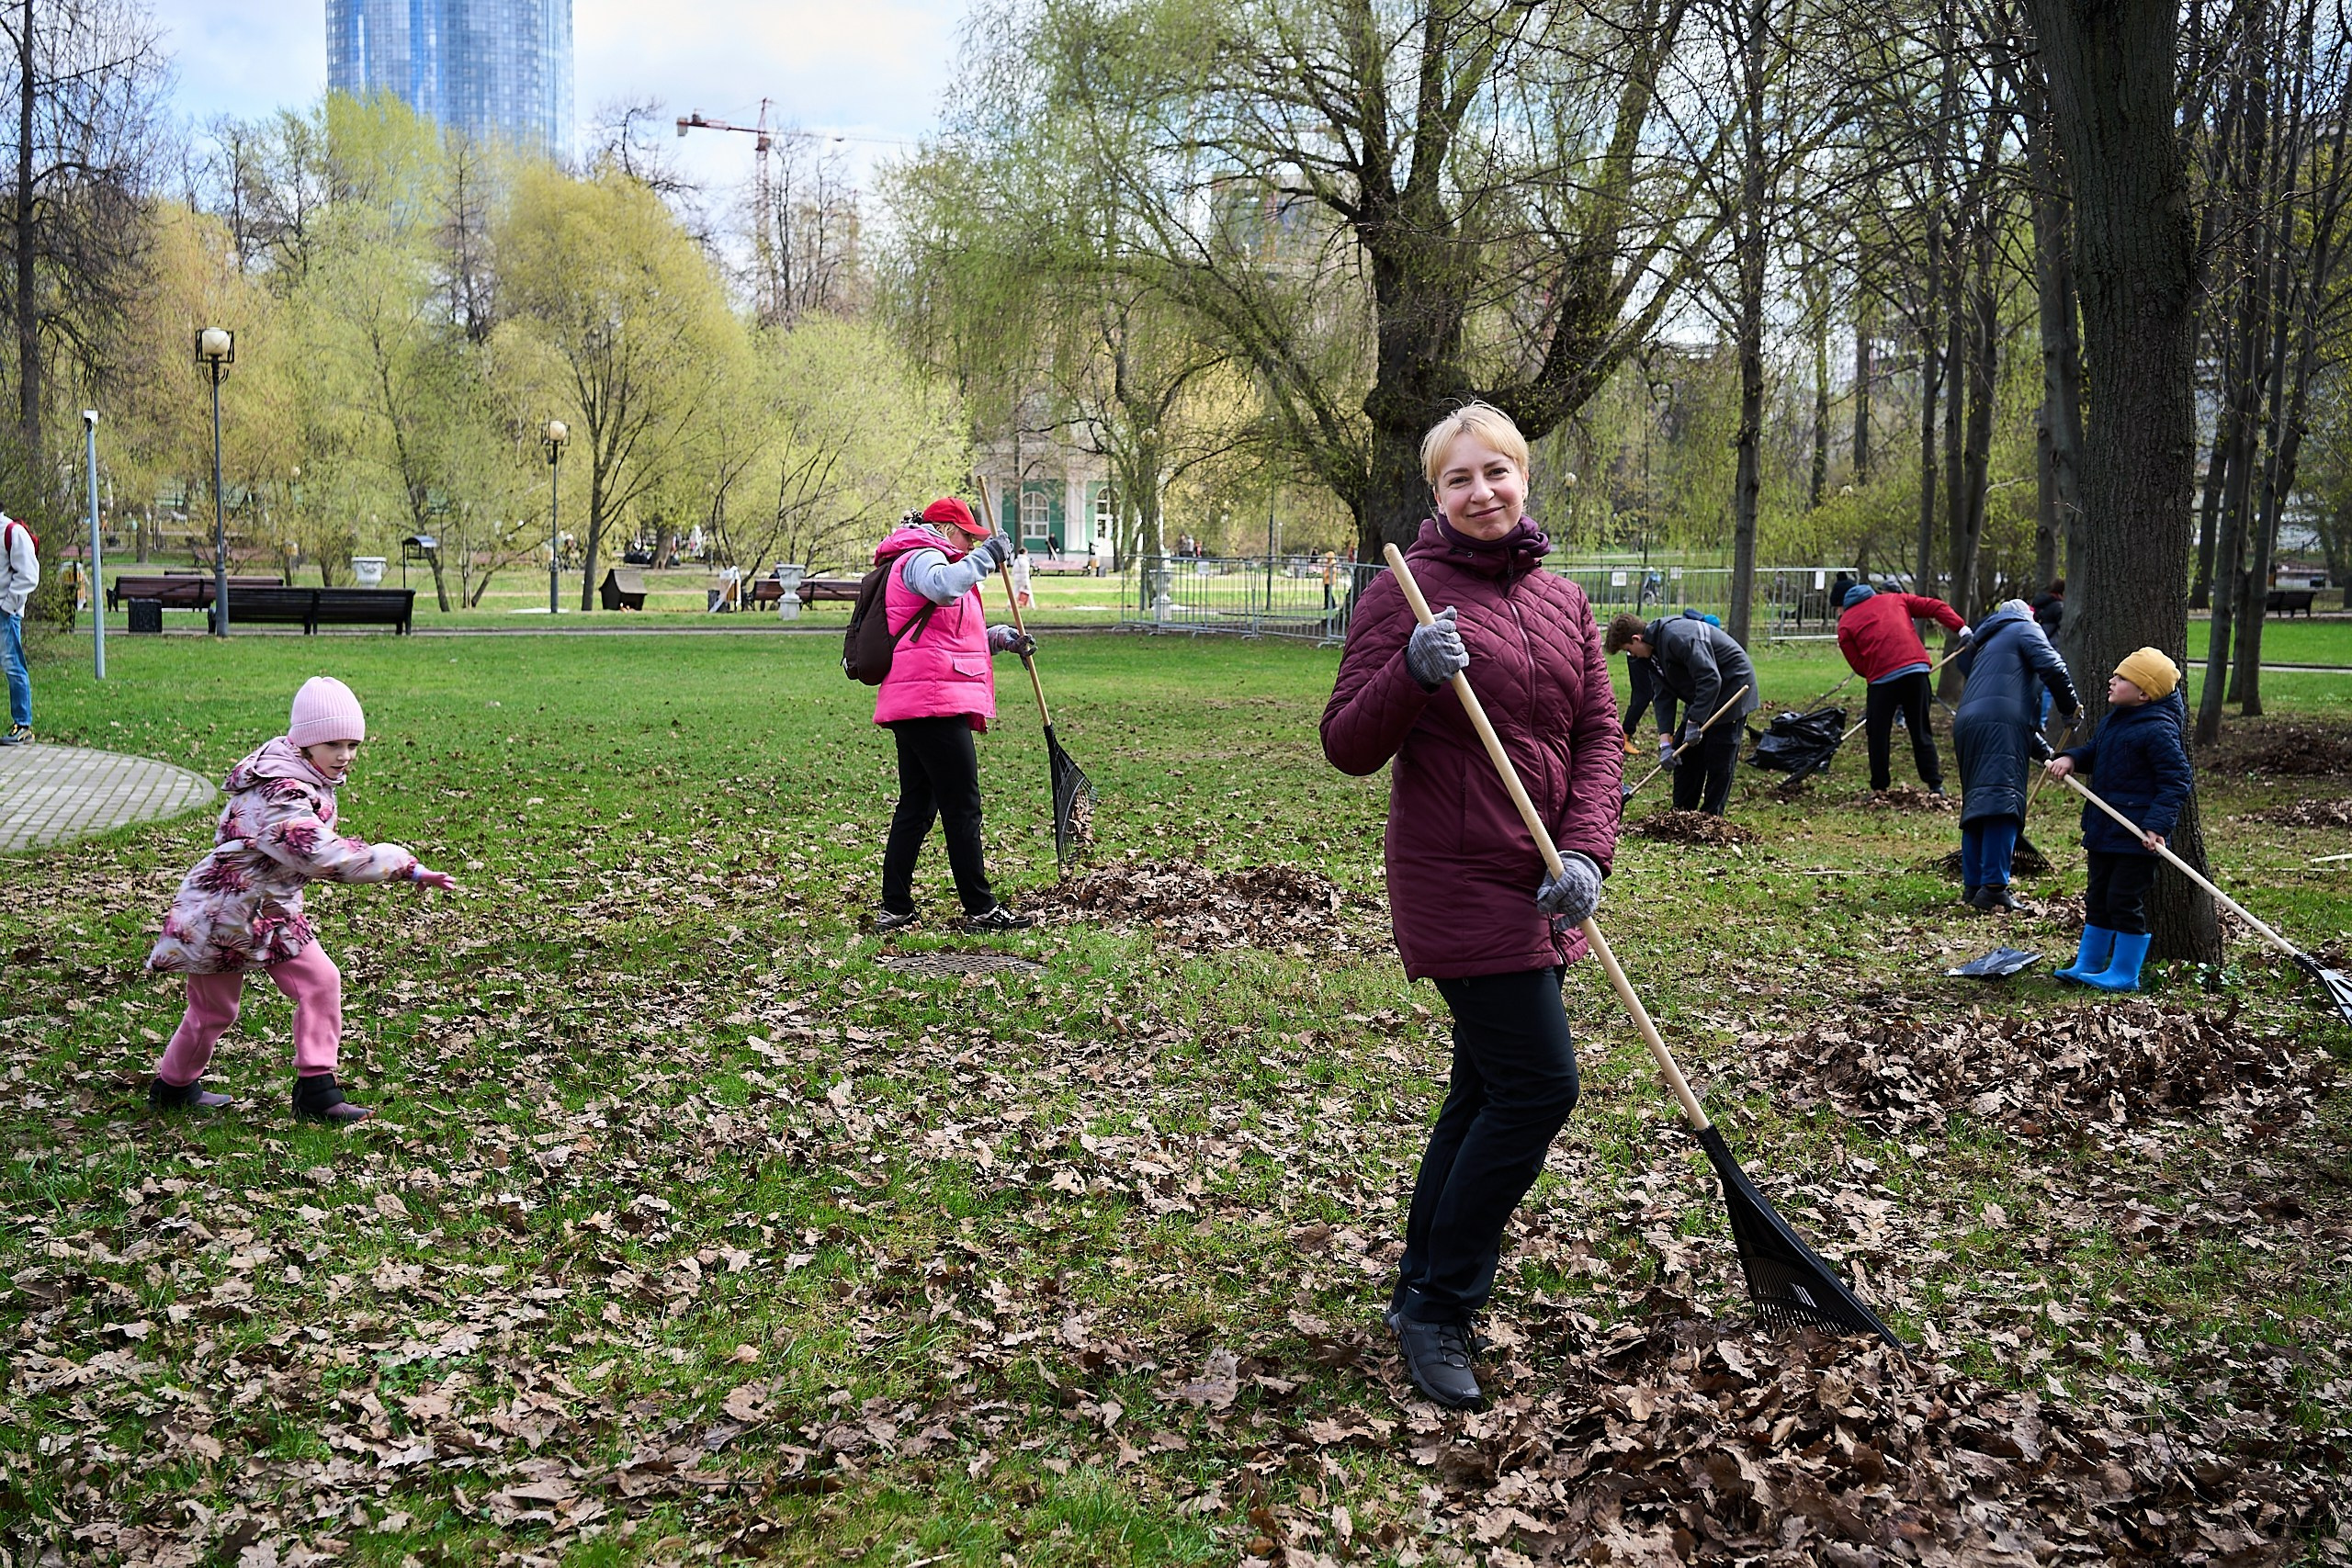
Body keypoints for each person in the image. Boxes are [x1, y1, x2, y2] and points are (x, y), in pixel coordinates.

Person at [1322, 401, 1620, 1410]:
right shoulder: (1405, 593)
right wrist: (1411, 672)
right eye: (1459, 478)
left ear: (1523, 477)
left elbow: (1598, 735)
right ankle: (1440, 1305)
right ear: (1436, 494)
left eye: (1496, 471)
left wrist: (1587, 852)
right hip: (1455, 875)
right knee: (1539, 1088)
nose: (1481, 491)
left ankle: (1422, 1284)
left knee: (1486, 1091)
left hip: (1543, 881)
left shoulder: (1564, 601)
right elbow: (1347, 743)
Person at [145, 678, 456, 1123]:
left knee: (320, 982)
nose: (345, 755)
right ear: (306, 742)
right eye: (334, 744)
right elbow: (319, 852)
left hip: (267, 909)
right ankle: (173, 1088)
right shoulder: (281, 791)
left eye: (352, 744)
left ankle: (317, 1091)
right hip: (223, 910)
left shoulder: (306, 776)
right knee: (214, 1010)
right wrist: (399, 864)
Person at [871, 497, 1036, 934]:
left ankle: (896, 908)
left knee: (918, 805)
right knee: (962, 805)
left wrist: (1002, 638)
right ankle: (981, 909)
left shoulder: (933, 559)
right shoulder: (921, 556)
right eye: (967, 536)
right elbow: (944, 588)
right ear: (946, 528)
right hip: (930, 699)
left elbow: (951, 634)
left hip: (925, 695)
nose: (970, 545)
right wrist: (987, 557)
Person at [2045, 649, 2189, 991]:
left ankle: (2125, 973)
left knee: (2123, 900)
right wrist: (2071, 759)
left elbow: (2176, 780)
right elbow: (2095, 753)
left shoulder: (2158, 729)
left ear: (2144, 694)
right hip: (2104, 828)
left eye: (2122, 678)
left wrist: (2157, 825)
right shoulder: (2114, 720)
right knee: (2098, 897)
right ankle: (2089, 963)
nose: (2112, 680)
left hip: (2135, 835)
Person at [1950, 598, 2079, 912]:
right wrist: (2070, 710)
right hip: (2000, 721)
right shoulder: (2024, 629)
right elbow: (2054, 668)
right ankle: (1994, 888)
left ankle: (1973, 886)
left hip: (1967, 723)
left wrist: (2045, 752)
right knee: (2001, 804)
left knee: (1979, 804)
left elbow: (2003, 703)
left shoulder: (1987, 642)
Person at [1602, 610, 1758, 815]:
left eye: (1628, 650)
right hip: (1702, 694)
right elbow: (1662, 696)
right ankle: (1682, 813)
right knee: (1685, 755)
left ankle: (1711, 817)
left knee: (1719, 757)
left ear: (1636, 639)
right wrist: (1665, 744)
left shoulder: (1678, 637)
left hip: (1732, 688)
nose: (1631, 655)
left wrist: (1695, 721)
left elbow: (1710, 679)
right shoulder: (1651, 655)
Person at [1835, 582, 1968, 794]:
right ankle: (1935, 784)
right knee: (1921, 730)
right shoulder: (1896, 599)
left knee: (1878, 735)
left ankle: (1880, 787)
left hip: (1881, 681)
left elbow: (1858, 665)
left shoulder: (1845, 624)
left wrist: (1877, 668)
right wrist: (1962, 629)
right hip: (1915, 672)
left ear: (1844, 605)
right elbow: (1935, 607)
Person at [1, 510, 37, 746]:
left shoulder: (12, 532)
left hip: (5, 613)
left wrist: (8, 606)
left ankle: (23, 725)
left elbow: (29, 575)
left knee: (13, 665)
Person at [1010, 546, 1035, 611]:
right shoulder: (1025, 561)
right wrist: (1025, 582)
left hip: (1017, 578)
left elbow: (1013, 570)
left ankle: (1009, 604)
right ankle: (1032, 606)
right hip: (1024, 579)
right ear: (1025, 552)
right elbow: (1025, 572)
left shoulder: (1016, 560)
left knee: (1014, 592)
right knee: (1029, 592)